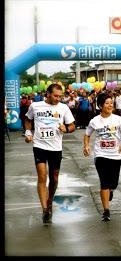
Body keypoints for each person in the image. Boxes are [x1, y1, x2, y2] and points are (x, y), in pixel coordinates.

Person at [24, 84, 75, 224]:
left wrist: (66, 129)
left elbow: (72, 126)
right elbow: (28, 120)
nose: (58, 98)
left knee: (54, 179)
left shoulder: (63, 108)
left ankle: (50, 200)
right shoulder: (35, 106)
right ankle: (45, 210)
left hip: (56, 148)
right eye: (56, 96)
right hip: (39, 145)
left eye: (60, 96)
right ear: (48, 94)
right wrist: (28, 132)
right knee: (42, 175)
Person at [83, 93, 121, 221]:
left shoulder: (118, 119)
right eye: (107, 103)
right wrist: (86, 146)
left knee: (113, 183)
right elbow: (87, 134)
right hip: (101, 155)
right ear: (100, 106)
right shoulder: (94, 121)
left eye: (111, 103)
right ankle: (106, 210)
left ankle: (111, 190)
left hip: (115, 155)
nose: (110, 105)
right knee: (104, 181)